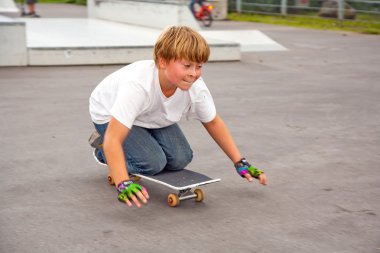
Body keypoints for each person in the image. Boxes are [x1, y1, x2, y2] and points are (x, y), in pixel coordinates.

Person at [89, 26, 267, 208]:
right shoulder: (138, 86)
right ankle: (103, 152)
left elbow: (213, 122)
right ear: (163, 61)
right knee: (153, 164)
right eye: (187, 66)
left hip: (152, 115)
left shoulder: (196, 88)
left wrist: (240, 162)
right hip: (110, 115)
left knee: (181, 159)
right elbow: (114, 138)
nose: (194, 74)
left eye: (199, 66)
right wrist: (122, 182)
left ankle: (136, 144)